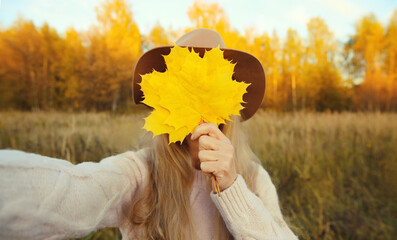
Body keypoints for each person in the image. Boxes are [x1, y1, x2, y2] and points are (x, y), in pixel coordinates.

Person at [0, 28, 298, 240]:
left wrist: (232, 188)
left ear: (231, 103)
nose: (199, 107)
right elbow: (71, 195)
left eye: (209, 87)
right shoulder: (139, 174)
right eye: (184, 89)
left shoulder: (254, 179)